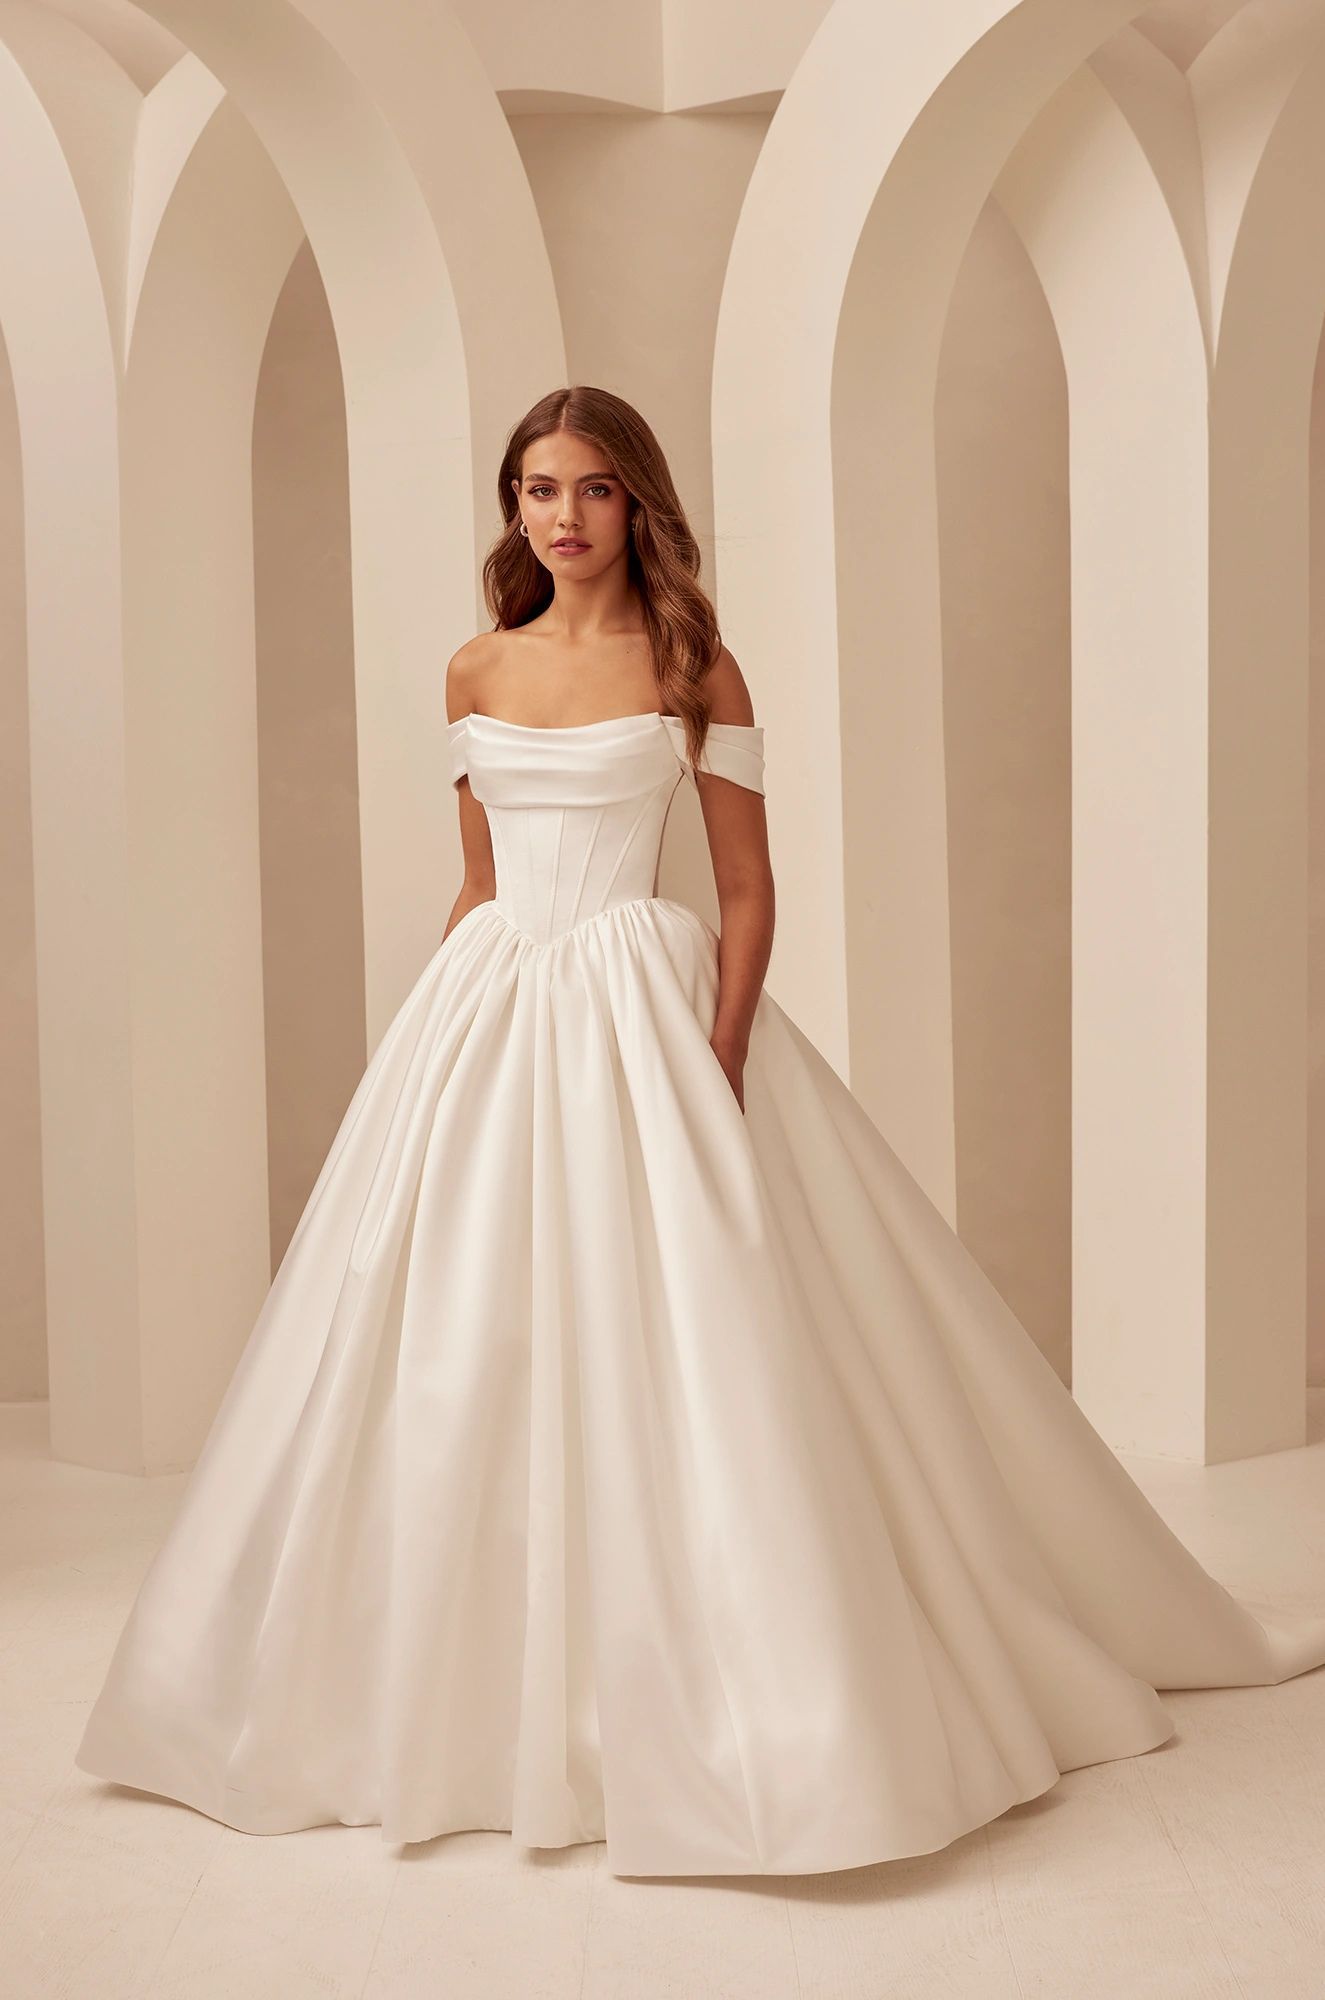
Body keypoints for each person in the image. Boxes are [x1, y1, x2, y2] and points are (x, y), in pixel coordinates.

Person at [75, 384, 1325, 1881]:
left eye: (593, 489)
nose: (562, 515)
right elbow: (479, 883)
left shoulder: (694, 668)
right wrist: (439, 1039)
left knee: (698, 1332)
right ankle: (438, 1690)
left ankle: (770, 1697)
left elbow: (745, 893)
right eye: (538, 488)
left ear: (637, 505)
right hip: (490, 1006)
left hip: (642, 1006)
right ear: (513, 508)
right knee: (454, 1333)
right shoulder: (475, 663)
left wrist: (715, 1053)